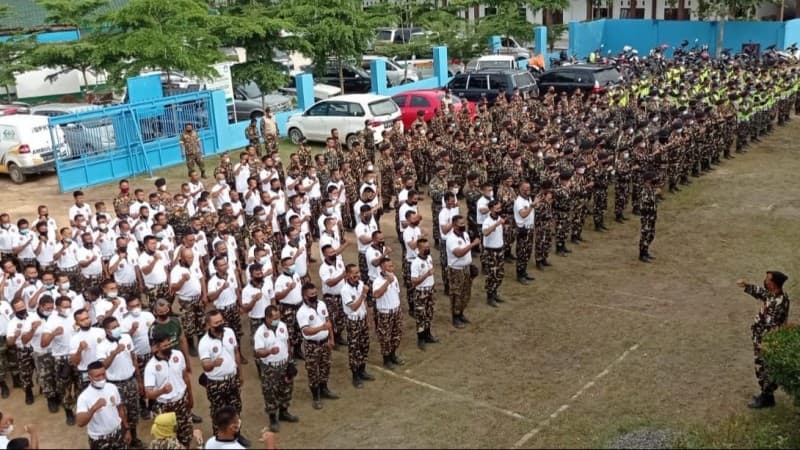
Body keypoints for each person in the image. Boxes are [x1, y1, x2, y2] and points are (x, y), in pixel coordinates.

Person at [736, 272, 791, 409]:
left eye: (768, 279)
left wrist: (765, 343)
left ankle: (767, 397)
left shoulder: (779, 303)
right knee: (762, 367)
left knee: (765, 369)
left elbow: (772, 325)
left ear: (774, 283)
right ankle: (766, 395)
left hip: (767, 341)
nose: (765, 281)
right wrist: (748, 286)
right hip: (761, 339)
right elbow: (762, 293)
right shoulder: (774, 295)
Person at [198, 310, 249, 447]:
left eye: (221, 321)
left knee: (235, 409)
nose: (220, 324)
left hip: (232, 379)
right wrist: (214, 363)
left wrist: (240, 373)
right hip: (216, 383)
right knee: (219, 413)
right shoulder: (204, 343)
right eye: (216, 323)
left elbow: (236, 352)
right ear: (209, 325)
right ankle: (218, 442)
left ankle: (236, 436)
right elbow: (205, 366)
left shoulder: (229, 332)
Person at [98, 316, 143, 448]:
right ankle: (124, 441)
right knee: (119, 413)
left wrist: (139, 380)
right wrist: (114, 352)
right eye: (113, 328)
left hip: (130, 380)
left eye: (117, 326)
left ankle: (134, 438)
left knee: (133, 411)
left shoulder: (126, 338)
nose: (117, 329)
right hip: (115, 385)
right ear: (106, 331)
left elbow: (133, 359)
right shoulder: (102, 346)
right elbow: (102, 366)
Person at [144, 332, 194, 448]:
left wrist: (190, 396)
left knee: (186, 434)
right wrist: (162, 391)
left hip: (181, 401)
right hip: (164, 406)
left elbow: (185, 376)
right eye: (165, 346)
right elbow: (149, 394)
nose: (168, 347)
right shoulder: (151, 367)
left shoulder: (178, 355)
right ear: (156, 347)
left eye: (169, 344)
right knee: (167, 439)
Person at [254, 305, 298, 432]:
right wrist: (269, 351)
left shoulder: (282, 326)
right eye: (274, 318)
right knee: (270, 393)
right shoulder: (260, 333)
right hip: (270, 368)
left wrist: (290, 361)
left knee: (286, 389)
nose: (277, 319)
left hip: (284, 364)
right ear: (267, 318)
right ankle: (273, 417)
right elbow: (258, 352)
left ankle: (284, 412)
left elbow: (287, 342)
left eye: (278, 317)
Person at [296, 282, 337, 410]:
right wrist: (321, 328)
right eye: (311, 294)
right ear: (304, 296)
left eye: (315, 293)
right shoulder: (302, 312)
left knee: (325, 366)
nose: (314, 296)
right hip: (312, 345)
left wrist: (331, 338)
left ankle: (324, 389)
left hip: (325, 342)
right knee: (313, 371)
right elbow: (306, 331)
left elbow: (328, 322)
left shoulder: (322, 304)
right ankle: (316, 396)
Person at [76, 361, 131, 449]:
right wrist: (93, 408)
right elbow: (80, 422)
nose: (102, 378)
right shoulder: (84, 397)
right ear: (90, 377)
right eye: (97, 376)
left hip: (118, 433)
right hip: (99, 440)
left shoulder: (112, 387)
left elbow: (120, 408)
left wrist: (126, 429)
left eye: (103, 374)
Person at [445, 216, 480, 328]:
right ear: (454, 225)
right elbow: (458, 253)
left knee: (466, 293)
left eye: (463, 223)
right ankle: (455, 317)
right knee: (457, 294)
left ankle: (460, 313)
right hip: (456, 271)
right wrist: (473, 245)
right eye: (460, 224)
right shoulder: (451, 239)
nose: (463, 225)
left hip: (466, 268)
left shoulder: (464, 235)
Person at [373, 258, 404, 368]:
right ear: (382, 268)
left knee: (396, 335)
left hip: (396, 311)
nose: (391, 268)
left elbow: (396, 293)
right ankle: (386, 360)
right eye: (389, 267)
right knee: (385, 337)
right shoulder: (377, 281)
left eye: (392, 266)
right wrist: (387, 282)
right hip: (385, 313)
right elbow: (376, 294)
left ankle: (393, 355)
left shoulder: (394, 278)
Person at [409, 239, 438, 351]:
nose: (427, 249)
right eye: (424, 247)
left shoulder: (429, 258)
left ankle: (428, 334)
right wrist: (427, 274)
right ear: (419, 249)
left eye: (428, 246)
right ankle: (421, 339)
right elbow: (414, 281)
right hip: (421, 292)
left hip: (429, 290)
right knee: (421, 316)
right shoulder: (415, 263)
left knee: (429, 313)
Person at [481, 200, 506, 307]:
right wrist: (496, 224)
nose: (499, 210)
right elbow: (485, 232)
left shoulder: (499, 218)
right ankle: (490, 296)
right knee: (491, 275)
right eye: (497, 209)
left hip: (499, 250)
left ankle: (495, 292)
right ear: (491, 209)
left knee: (500, 274)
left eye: (500, 208)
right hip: (491, 252)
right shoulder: (487, 221)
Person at [513, 182, 535, 284]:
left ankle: (524, 272)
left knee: (527, 253)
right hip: (523, 230)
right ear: (520, 189)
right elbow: (523, 214)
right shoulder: (519, 201)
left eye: (528, 188)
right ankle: (519, 275)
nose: (527, 190)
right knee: (522, 253)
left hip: (530, 229)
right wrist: (532, 206)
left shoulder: (528, 198)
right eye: (525, 188)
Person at [638, 171, 658, 262]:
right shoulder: (644, 190)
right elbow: (646, 200)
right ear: (648, 180)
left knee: (651, 234)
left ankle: (646, 251)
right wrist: (655, 194)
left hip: (652, 215)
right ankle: (642, 254)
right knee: (645, 235)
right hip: (646, 216)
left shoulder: (651, 188)